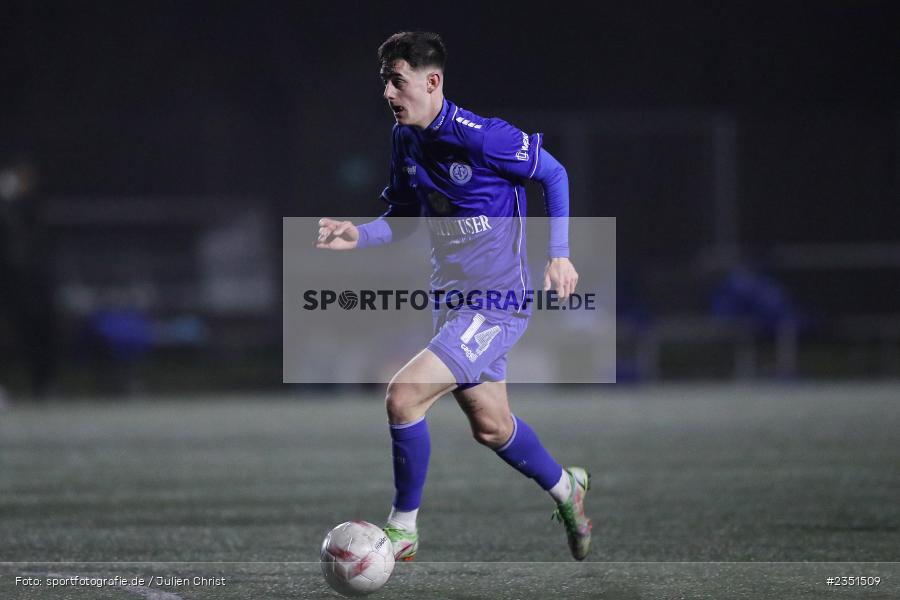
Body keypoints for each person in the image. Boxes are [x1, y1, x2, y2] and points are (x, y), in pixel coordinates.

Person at [316, 31, 592, 561]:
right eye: (385, 82)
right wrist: (357, 235)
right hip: (451, 304)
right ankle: (566, 489)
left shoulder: (483, 138)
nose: (388, 93)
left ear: (432, 81)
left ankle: (403, 530)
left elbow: (554, 173)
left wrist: (559, 253)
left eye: (398, 81)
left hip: (497, 304)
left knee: (403, 396)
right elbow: (403, 218)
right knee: (492, 427)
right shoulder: (404, 140)